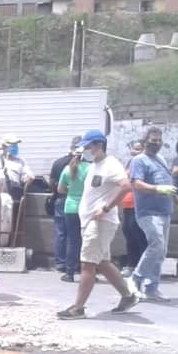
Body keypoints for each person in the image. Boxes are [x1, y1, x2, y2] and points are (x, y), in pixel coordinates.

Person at [56, 130, 140, 320]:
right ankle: (128, 296)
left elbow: (126, 186)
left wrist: (107, 208)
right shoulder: (95, 165)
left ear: (98, 145)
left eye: (88, 146)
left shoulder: (111, 165)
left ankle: (78, 308)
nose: (85, 150)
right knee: (102, 262)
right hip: (90, 220)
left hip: (100, 221)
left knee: (88, 263)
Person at [129, 127, 178, 302]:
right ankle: (135, 279)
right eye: (153, 140)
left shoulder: (160, 159)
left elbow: (168, 183)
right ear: (145, 141)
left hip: (164, 211)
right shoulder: (139, 160)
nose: (157, 143)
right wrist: (157, 189)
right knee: (156, 245)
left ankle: (152, 287)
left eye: (159, 140)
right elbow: (136, 184)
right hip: (148, 212)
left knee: (161, 251)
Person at [58, 147, 89, 284]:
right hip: (87, 207)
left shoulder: (67, 169)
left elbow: (60, 189)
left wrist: (71, 190)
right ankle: (88, 272)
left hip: (70, 207)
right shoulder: (91, 168)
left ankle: (69, 273)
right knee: (87, 240)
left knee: (72, 240)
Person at [49, 137, 79, 274]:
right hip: (78, 201)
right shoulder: (86, 165)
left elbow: (52, 184)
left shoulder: (58, 163)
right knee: (76, 236)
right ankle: (74, 263)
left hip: (61, 200)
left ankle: (60, 263)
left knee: (61, 233)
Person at [0, 134, 33, 246]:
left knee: (13, 224)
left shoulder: (20, 161)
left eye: (16, 145)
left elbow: (28, 175)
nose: (15, 147)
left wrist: (28, 179)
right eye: (12, 145)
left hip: (14, 198)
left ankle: (12, 246)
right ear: (3, 146)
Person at [120, 140, 147, 276]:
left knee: (139, 235)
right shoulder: (130, 163)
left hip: (137, 204)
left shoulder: (142, 164)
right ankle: (131, 265)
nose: (135, 152)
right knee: (129, 235)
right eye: (134, 149)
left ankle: (142, 266)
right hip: (127, 204)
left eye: (138, 149)